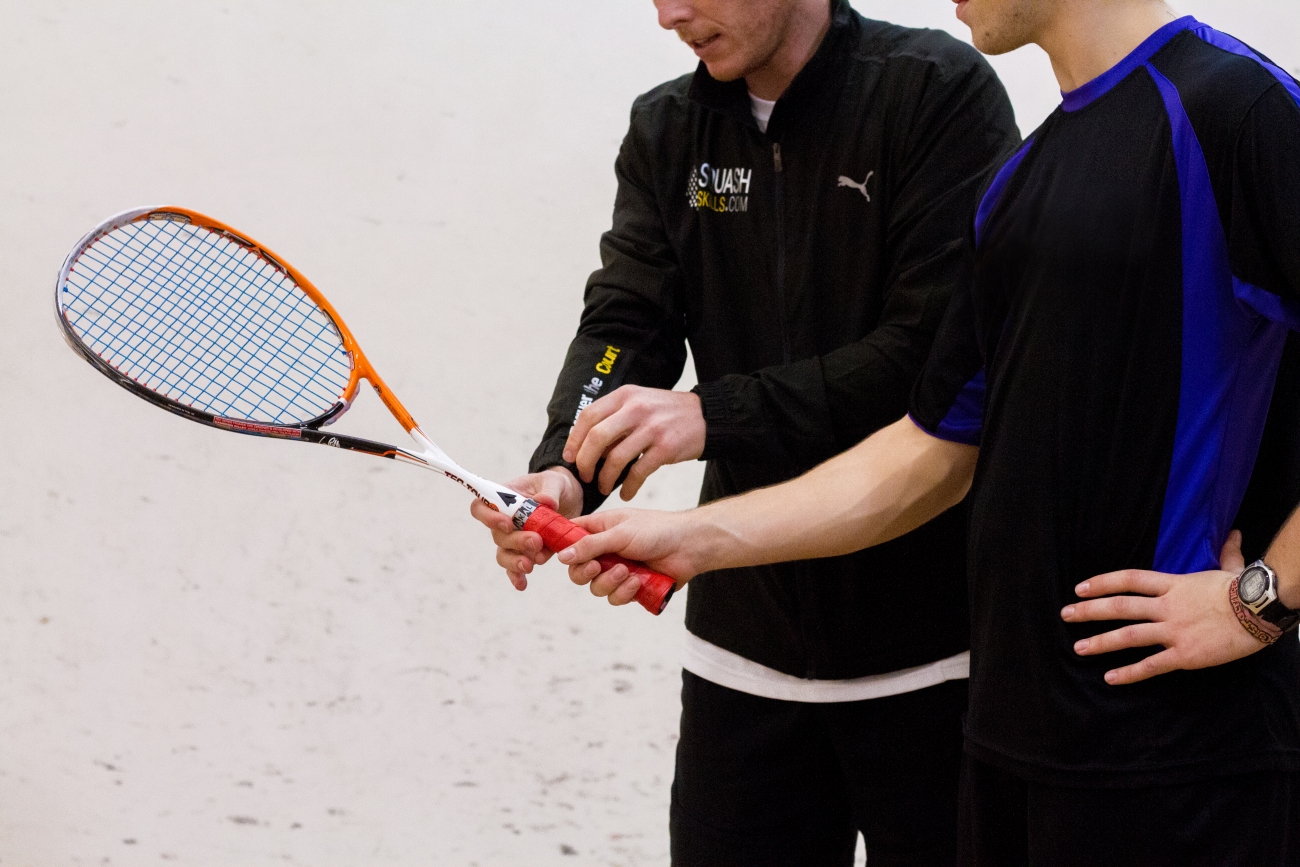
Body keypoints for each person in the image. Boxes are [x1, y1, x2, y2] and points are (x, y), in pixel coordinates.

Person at [556, 0, 1300, 863]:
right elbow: (931, 453)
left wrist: (1261, 600)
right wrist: (687, 540)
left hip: (1185, 759)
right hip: (1011, 751)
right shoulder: (1017, 185)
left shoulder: (1239, 110)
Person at [472, 0, 1019, 863]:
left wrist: (712, 412)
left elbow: (930, 359)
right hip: (740, 665)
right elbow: (625, 325)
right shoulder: (666, 128)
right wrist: (567, 469)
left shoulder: (936, 94)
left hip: (941, 661)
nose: (669, 14)